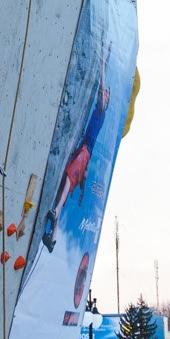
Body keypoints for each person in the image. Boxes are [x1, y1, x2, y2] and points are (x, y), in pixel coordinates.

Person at [41, 56, 110, 252]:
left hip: (85, 153)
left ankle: (54, 215)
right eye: (104, 93)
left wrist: (103, 68)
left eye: (107, 94)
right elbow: (100, 91)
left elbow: (101, 89)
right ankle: (52, 238)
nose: (104, 94)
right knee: (65, 188)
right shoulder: (99, 110)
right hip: (84, 152)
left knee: (67, 183)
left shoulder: (101, 112)